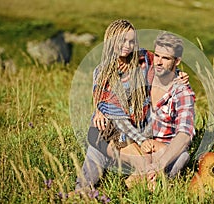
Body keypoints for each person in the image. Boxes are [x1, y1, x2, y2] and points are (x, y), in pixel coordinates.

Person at [73, 19, 189, 193]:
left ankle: (133, 182)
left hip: (142, 130)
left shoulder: (144, 60)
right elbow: (113, 114)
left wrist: (178, 75)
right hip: (120, 134)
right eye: (122, 40)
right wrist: (100, 109)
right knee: (97, 143)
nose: (127, 45)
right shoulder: (101, 72)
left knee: (183, 155)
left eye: (131, 41)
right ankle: (82, 191)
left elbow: (163, 63)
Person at [123, 32, 196, 188]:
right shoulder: (143, 76)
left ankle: (142, 181)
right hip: (138, 144)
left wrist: (159, 164)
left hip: (164, 152)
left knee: (181, 156)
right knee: (104, 138)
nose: (159, 62)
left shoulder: (183, 93)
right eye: (157, 55)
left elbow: (185, 135)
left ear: (177, 61)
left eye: (166, 58)